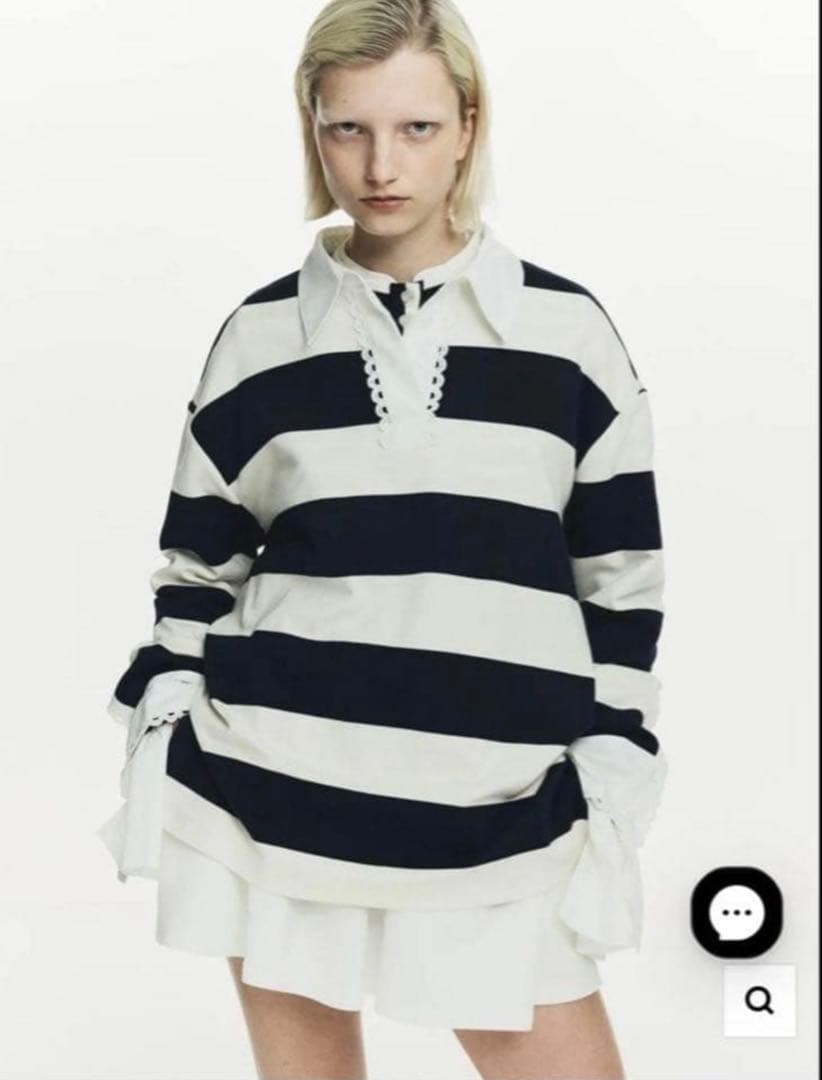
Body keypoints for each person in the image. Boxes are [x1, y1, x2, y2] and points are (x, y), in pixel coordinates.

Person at [97, 2, 668, 1078]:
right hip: (276, 792)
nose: (380, 166)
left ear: (468, 125)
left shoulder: (568, 336)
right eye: (347, 128)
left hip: (506, 808)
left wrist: (608, 753)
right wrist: (166, 714)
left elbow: (623, 580)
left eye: (415, 128)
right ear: (312, 130)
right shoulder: (262, 337)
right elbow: (198, 566)